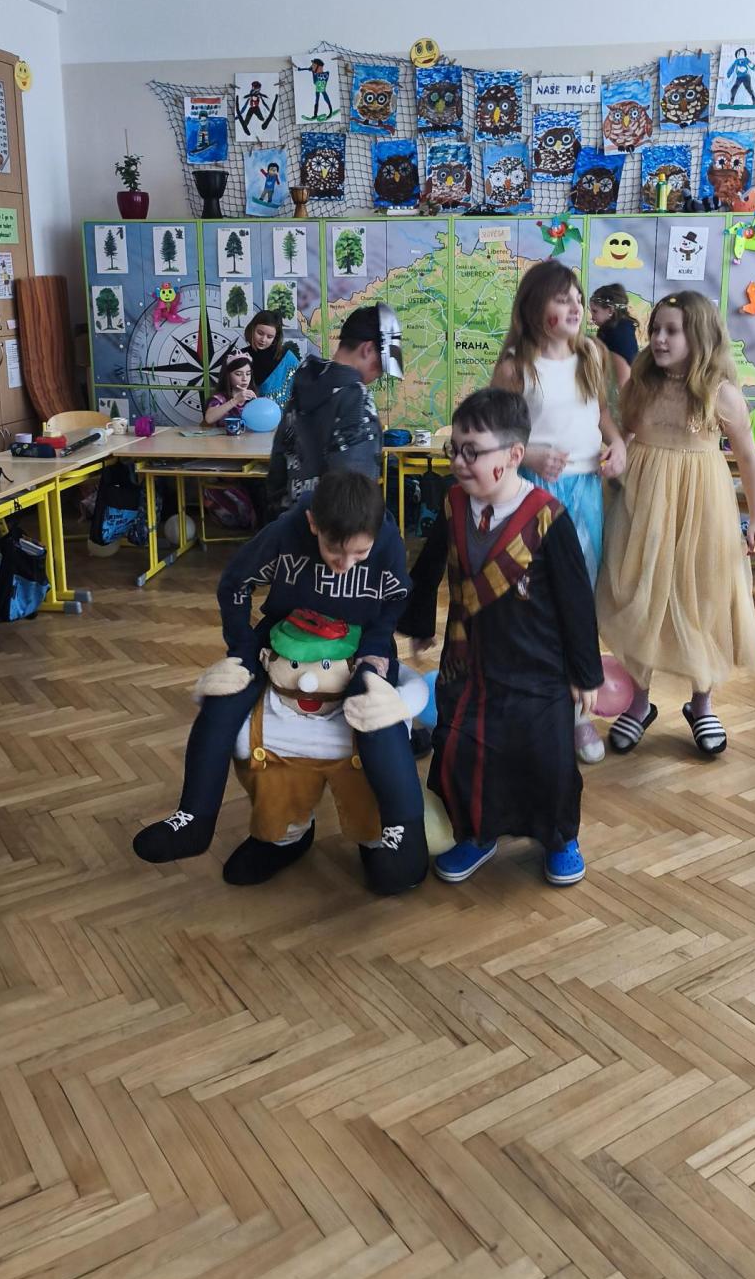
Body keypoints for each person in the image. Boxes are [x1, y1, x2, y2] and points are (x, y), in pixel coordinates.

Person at [132, 469, 427, 893]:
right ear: (313, 524)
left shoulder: (386, 538)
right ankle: (194, 817)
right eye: (335, 551)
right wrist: (240, 647)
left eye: (359, 554)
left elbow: (395, 600)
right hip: (284, 630)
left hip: (363, 639)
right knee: (224, 699)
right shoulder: (285, 532)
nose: (345, 565)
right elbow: (235, 584)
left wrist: (377, 650)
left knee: (374, 712)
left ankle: (404, 835)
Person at [399, 388, 603, 886]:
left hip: (538, 668)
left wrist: (585, 673)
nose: (459, 461)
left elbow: (576, 600)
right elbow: (430, 565)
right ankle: (477, 832)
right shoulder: (453, 504)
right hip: (468, 664)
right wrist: (420, 624)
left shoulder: (548, 517)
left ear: (514, 455)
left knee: (547, 758)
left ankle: (559, 837)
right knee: (466, 750)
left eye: (473, 451)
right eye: (455, 449)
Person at [596, 291, 755, 757]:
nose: (659, 338)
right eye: (656, 329)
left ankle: (702, 702)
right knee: (641, 592)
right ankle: (639, 701)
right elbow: (623, 437)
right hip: (643, 503)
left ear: (700, 336)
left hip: (702, 507)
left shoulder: (721, 393)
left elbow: (748, 458)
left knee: (702, 597)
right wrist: (612, 456)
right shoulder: (641, 384)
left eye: (672, 331)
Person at [492, 260, 625, 765]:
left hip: (585, 493)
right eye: (562, 298)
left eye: (578, 298)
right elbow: (495, 433)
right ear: (534, 307)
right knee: (529, 599)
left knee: (578, 598)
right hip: (532, 496)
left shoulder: (592, 353)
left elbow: (602, 414)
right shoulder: (515, 367)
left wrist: (617, 444)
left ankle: (576, 711)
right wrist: (529, 454)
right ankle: (531, 703)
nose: (575, 307)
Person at [266, 302, 402, 519]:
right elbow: (355, 492)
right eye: (381, 365)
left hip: (291, 521)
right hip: (336, 530)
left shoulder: (304, 386)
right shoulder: (356, 398)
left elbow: (278, 465)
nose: (379, 374)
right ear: (367, 349)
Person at [243, 309, 301, 408]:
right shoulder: (240, 356)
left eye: (269, 336)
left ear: (275, 338)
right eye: (260, 333)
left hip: (282, 416)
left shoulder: (287, 357)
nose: (263, 339)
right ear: (252, 329)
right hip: (246, 414)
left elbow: (301, 390)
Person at [589, 284, 640, 394]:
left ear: (610, 310)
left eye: (595, 311)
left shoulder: (615, 335)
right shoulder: (624, 329)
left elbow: (623, 382)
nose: (592, 317)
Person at [204, 350, 257, 426]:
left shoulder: (253, 398)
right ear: (228, 376)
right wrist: (235, 400)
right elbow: (209, 419)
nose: (245, 378)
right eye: (238, 374)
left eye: (248, 374)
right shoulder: (220, 399)